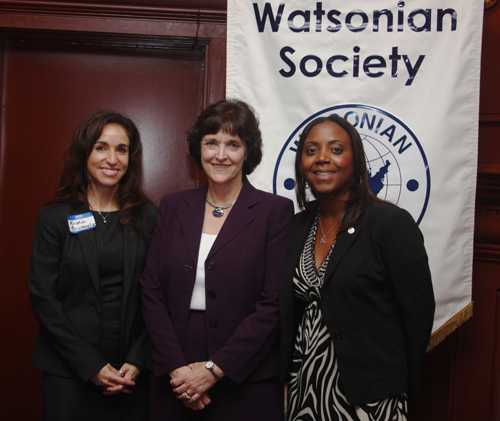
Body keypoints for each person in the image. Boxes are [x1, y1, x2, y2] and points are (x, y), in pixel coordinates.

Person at [141, 99, 294, 420]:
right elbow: (151, 290)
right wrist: (178, 370)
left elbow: (273, 303)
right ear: (198, 149)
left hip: (245, 374)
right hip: (175, 373)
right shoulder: (172, 207)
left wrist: (215, 369)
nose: (220, 155)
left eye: (232, 144)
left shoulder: (274, 212)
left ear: (247, 152)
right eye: (211, 143)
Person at [280, 115, 435, 421]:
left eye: (335, 149)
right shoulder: (297, 225)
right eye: (311, 151)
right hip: (303, 392)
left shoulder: (390, 224)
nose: (322, 159)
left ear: (356, 160)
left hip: (369, 398)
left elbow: (418, 316)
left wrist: (397, 389)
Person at [29, 111, 157, 421]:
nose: (112, 159)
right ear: (85, 152)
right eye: (101, 147)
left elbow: (158, 294)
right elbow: (43, 297)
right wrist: (90, 366)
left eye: (121, 149)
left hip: (129, 375)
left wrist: (138, 360)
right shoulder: (55, 217)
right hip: (68, 372)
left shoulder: (148, 217)